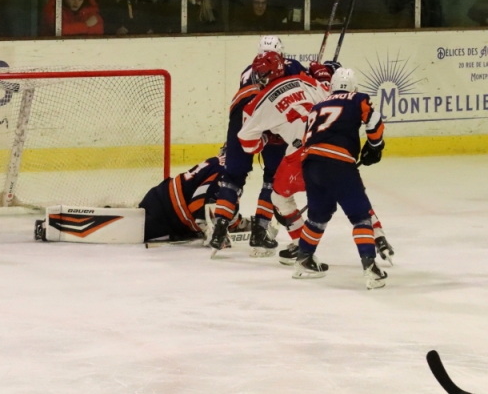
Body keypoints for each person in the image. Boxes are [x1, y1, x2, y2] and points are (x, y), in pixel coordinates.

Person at [209, 51, 331, 257]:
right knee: (273, 178)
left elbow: (246, 134)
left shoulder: (249, 70)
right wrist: (324, 74)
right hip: (269, 117)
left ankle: (219, 230)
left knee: (233, 176)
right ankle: (259, 231)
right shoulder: (291, 69)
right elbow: (318, 91)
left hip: (243, 115)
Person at [295, 68, 390, 289]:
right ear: (354, 86)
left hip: (310, 164)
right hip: (338, 163)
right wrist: (375, 146)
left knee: (317, 217)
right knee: (361, 217)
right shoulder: (358, 98)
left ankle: (303, 260)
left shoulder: (317, 107)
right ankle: (370, 268)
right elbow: (375, 123)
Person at [139, 147, 250, 242]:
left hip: (161, 200)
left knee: (130, 228)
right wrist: (211, 231)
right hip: (165, 214)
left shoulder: (219, 163)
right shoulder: (225, 173)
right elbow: (197, 204)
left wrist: (236, 224)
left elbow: (224, 204)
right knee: (130, 232)